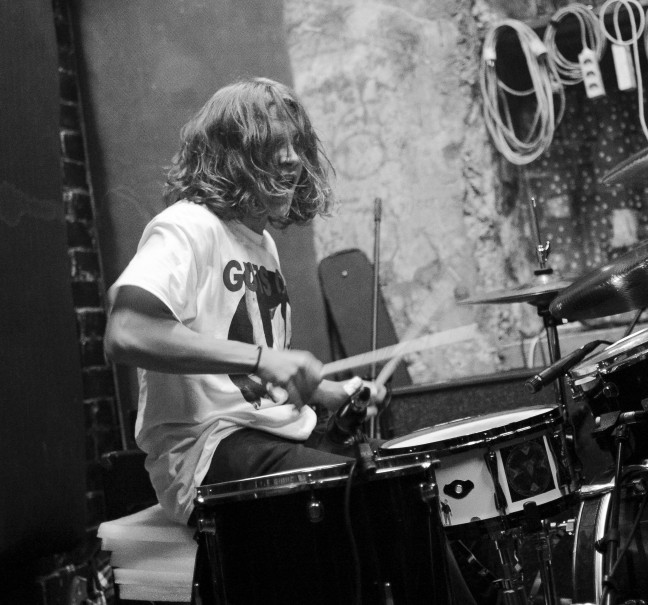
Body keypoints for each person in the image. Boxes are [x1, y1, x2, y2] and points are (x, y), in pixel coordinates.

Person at [104, 77, 477, 603]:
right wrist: (264, 359)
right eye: (273, 144)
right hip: (209, 450)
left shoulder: (262, 245)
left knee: (406, 482)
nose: (292, 158)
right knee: (376, 497)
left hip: (271, 437)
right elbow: (126, 331)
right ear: (231, 153)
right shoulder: (186, 227)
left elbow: (254, 381)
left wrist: (328, 393)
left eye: (297, 144)